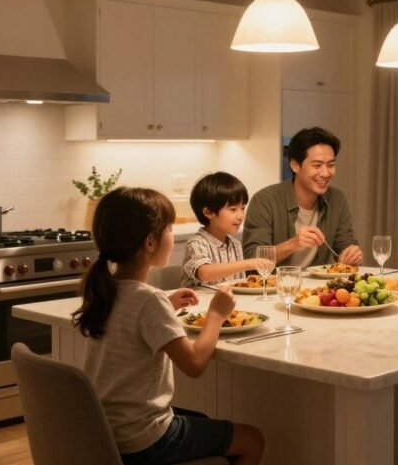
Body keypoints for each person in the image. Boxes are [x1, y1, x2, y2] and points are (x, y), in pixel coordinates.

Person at [72, 187, 264, 465]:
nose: (173, 237)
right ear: (151, 242)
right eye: (170, 229)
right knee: (251, 439)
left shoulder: (108, 291)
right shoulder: (149, 301)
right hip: (144, 439)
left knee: (204, 421)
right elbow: (195, 364)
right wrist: (216, 316)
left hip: (106, 430)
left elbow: (134, 321)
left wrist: (167, 303)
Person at [243, 127, 363, 267]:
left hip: (319, 288)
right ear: (295, 166)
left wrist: (350, 253)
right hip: (276, 286)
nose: (325, 173)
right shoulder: (265, 200)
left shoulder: (337, 199)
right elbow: (252, 257)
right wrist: (292, 244)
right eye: (317, 165)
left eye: (331, 165)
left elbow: (344, 243)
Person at [181, 172, 271, 287]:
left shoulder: (235, 244)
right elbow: (204, 273)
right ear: (208, 212)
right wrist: (248, 263)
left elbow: (238, 285)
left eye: (242, 208)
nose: (240, 216)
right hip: (200, 304)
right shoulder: (196, 243)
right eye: (233, 209)